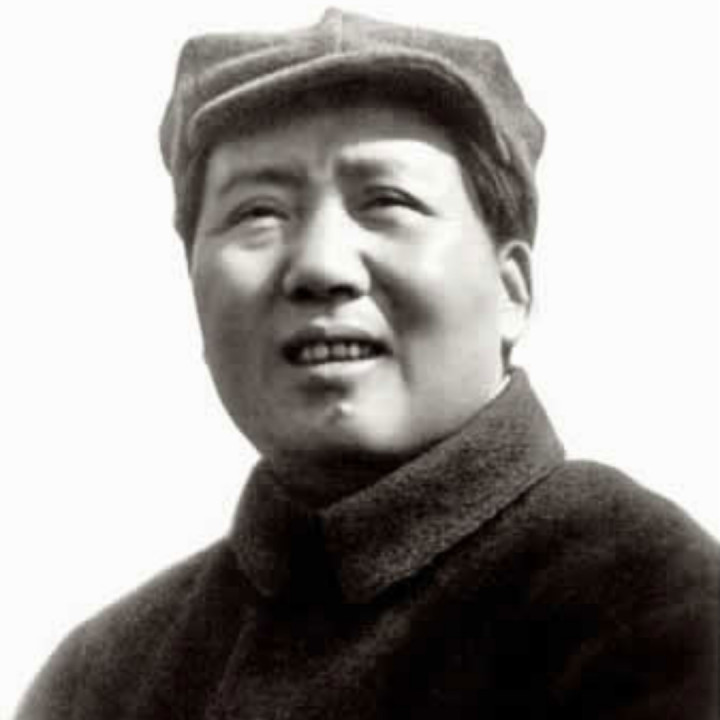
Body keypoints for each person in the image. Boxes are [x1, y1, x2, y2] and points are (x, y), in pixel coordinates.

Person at [16, 8, 719, 719]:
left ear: (513, 291)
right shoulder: (102, 677)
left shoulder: (648, 603)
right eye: (257, 212)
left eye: (387, 201)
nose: (321, 267)